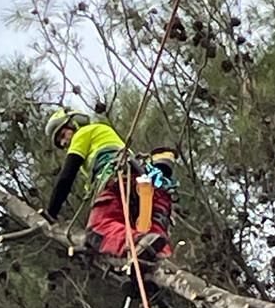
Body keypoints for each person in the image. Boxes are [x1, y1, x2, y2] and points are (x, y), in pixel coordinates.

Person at [43, 108, 176, 262]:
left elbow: (66, 177)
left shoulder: (83, 133)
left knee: (98, 230)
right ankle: (159, 267)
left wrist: (50, 213)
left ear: (74, 123)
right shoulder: (107, 136)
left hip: (118, 181)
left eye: (63, 135)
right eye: (60, 142)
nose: (64, 143)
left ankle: (139, 244)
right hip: (146, 186)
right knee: (151, 234)